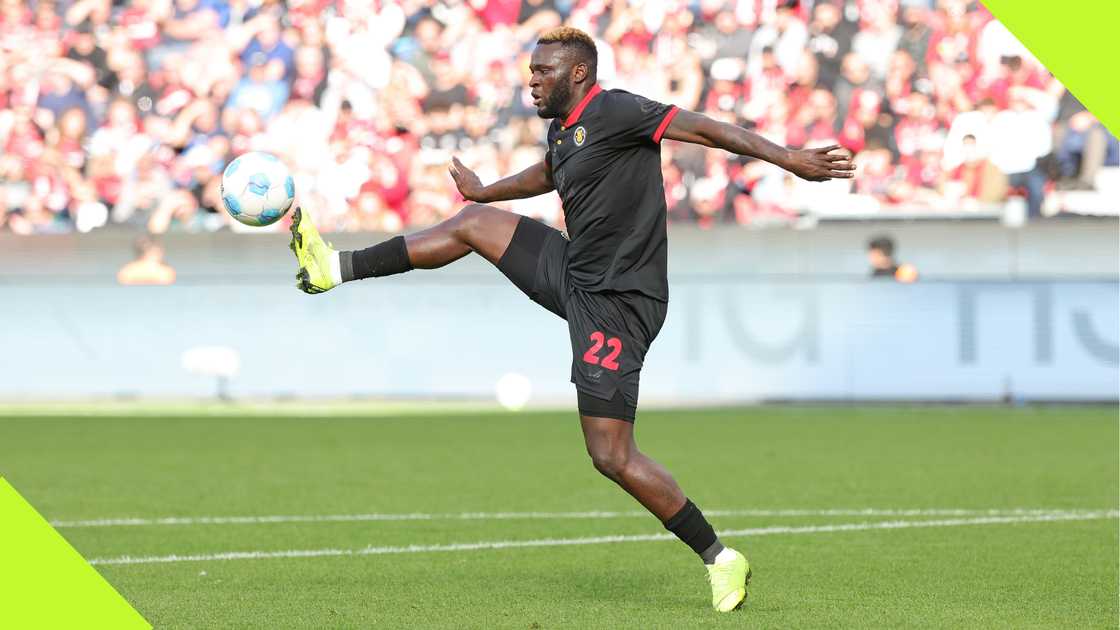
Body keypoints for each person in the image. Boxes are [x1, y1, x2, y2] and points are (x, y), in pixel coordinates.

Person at [288, 27, 854, 613]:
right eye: (531, 71)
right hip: (573, 270)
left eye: (543, 72)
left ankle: (718, 556)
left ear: (577, 73)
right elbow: (544, 174)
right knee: (471, 223)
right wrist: (486, 191)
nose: (531, 81)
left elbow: (706, 128)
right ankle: (335, 267)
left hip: (619, 305)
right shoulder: (566, 132)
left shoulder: (616, 110)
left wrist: (789, 159)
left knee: (610, 455)